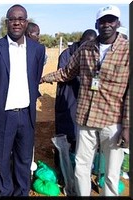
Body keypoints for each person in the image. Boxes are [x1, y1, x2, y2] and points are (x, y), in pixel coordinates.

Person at [41, 5, 129, 196]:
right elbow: (67, 72)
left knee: (112, 172)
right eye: (103, 21)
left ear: (118, 23)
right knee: (82, 166)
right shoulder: (86, 48)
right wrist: (44, 78)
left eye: (111, 20)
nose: (107, 25)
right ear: (97, 24)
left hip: (112, 121)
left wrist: (128, 126)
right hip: (85, 118)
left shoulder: (127, 51)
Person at [0, 4, 46, 196]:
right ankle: (4, 192)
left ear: (26, 22)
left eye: (21, 19)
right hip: (3, 115)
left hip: (26, 115)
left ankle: (21, 192)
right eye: (13, 19)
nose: (17, 22)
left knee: (24, 159)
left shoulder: (37, 49)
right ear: (7, 22)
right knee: (1, 159)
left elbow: (35, 79)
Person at [55, 29, 97, 154]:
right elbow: (63, 74)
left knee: (81, 135)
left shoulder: (92, 54)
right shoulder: (66, 54)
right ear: (80, 41)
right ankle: (61, 166)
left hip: (83, 99)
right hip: (67, 97)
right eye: (85, 42)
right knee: (64, 132)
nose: (87, 45)